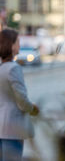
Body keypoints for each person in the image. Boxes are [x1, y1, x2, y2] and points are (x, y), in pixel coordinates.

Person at [0, 29, 40, 161]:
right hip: (12, 129)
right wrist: (33, 108)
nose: (20, 45)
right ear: (11, 45)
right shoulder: (14, 68)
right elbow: (21, 100)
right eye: (18, 42)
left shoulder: (1, 68)